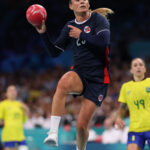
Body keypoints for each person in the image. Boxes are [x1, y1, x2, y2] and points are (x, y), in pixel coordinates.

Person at [32, 0, 113, 150]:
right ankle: (53, 133)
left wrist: (81, 35)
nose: (82, 1)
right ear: (71, 6)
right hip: (80, 73)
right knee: (63, 82)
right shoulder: (70, 25)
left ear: (88, 4)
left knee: (81, 126)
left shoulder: (98, 20)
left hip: (98, 79)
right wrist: (43, 33)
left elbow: (104, 41)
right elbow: (54, 52)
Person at [115, 58, 150, 150]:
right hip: (135, 129)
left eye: (141, 65)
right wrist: (119, 118)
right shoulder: (126, 87)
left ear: (145, 69)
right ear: (131, 70)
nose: (138, 67)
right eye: (135, 65)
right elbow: (123, 106)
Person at [0, 85, 29, 150]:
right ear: (6, 93)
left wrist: (26, 110)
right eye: (10, 90)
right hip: (9, 136)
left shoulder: (20, 104)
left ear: (16, 93)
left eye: (14, 90)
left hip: (20, 135)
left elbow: (23, 121)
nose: (12, 92)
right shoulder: (2, 104)